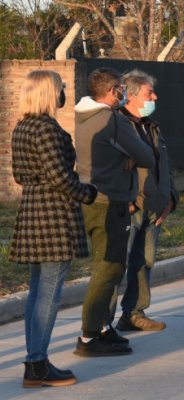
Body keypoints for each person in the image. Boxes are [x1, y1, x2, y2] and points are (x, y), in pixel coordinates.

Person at [9, 70, 98, 387]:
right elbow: (61, 178)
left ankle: (36, 360)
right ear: (49, 93)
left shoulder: (23, 127)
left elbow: (20, 176)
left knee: (38, 291)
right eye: (61, 89)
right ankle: (36, 364)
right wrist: (88, 193)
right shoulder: (45, 129)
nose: (64, 94)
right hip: (53, 216)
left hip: (33, 210)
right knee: (48, 294)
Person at [74, 67, 155, 356]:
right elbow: (146, 155)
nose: (124, 93)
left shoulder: (82, 115)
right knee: (109, 268)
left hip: (90, 199)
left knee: (104, 266)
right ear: (112, 92)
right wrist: (131, 156)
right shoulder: (112, 120)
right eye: (122, 88)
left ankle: (104, 327)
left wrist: (126, 156)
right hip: (111, 202)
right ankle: (89, 336)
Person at [109, 69, 179, 332]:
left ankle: (134, 313)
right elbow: (109, 167)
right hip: (129, 207)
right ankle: (103, 324)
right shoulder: (116, 125)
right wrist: (123, 198)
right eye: (150, 92)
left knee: (144, 262)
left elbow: (165, 164)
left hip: (154, 207)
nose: (155, 97)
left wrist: (170, 198)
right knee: (117, 265)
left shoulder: (151, 127)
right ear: (132, 95)